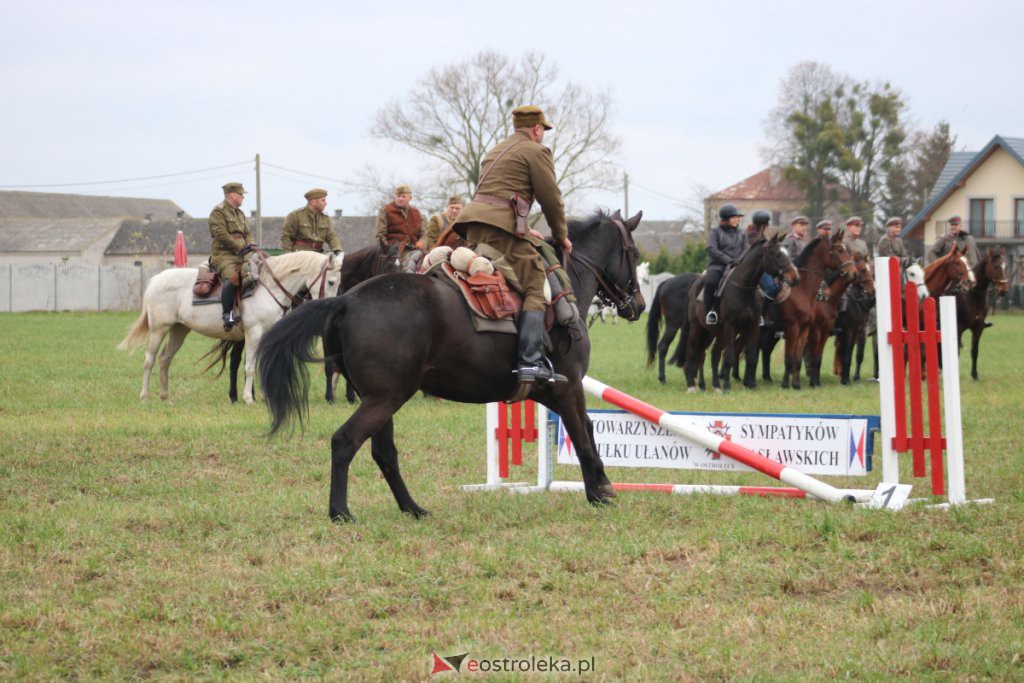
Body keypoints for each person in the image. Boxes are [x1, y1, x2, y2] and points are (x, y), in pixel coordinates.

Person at [453, 105, 571, 384]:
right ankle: (530, 362)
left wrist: (526, 229)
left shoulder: (495, 151)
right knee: (534, 282)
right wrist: (561, 234)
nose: (543, 136)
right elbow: (551, 199)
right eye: (543, 131)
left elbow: (498, 194)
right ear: (537, 129)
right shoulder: (537, 151)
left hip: (474, 225)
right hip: (499, 229)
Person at [209, 182, 256, 331]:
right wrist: (240, 247)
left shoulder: (240, 213)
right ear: (232, 195)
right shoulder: (218, 212)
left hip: (243, 254)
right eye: (241, 194)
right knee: (233, 278)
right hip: (224, 255)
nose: (243, 197)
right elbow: (221, 234)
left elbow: (247, 233)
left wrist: (251, 246)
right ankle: (227, 315)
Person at [704, 203, 745, 325]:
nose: (738, 219)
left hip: (738, 266)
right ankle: (710, 312)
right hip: (718, 266)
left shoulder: (741, 233)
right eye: (735, 217)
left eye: (738, 217)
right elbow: (711, 248)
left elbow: (746, 248)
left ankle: (758, 313)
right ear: (726, 219)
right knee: (711, 282)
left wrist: (740, 259)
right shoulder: (715, 232)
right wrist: (728, 260)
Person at [375, 185, 424, 272]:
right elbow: (380, 235)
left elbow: (424, 234)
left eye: (403, 196)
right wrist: (387, 250)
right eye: (398, 196)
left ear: (410, 198)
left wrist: (422, 241)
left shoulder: (416, 213)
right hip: (394, 251)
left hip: (414, 249)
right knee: (405, 268)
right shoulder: (386, 210)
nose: (400, 199)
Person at [281, 188, 341, 254]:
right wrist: (288, 254)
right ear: (313, 202)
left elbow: (331, 236)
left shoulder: (325, 217)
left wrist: (337, 250)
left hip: (318, 255)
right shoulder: (295, 215)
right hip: (299, 255)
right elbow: (286, 236)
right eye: (323, 200)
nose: (326, 203)